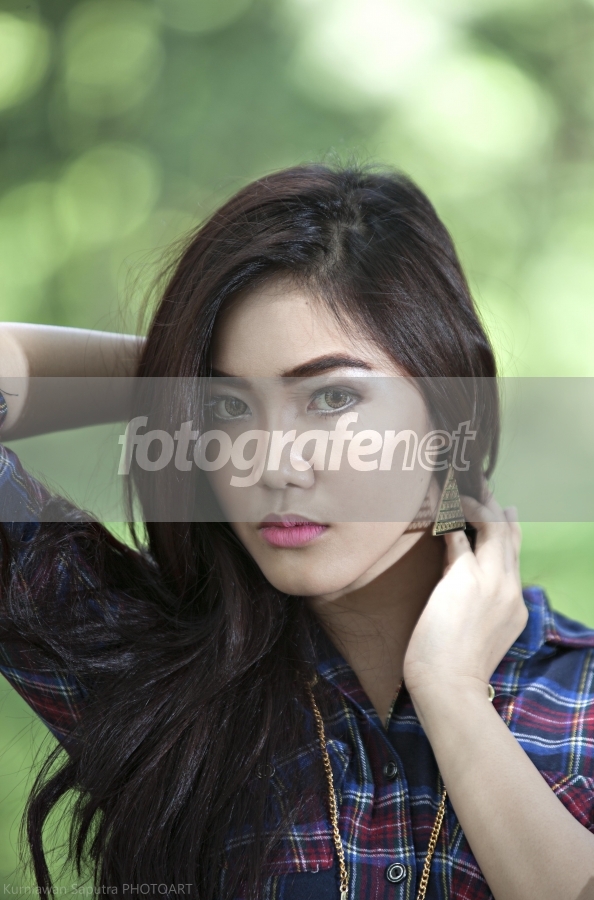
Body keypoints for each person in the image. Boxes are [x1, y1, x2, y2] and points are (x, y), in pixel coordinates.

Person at [0, 164, 593, 900]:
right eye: (228, 409)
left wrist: (452, 696)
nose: (272, 463)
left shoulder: (578, 700)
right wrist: (173, 370)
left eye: (332, 397)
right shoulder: (151, 669)